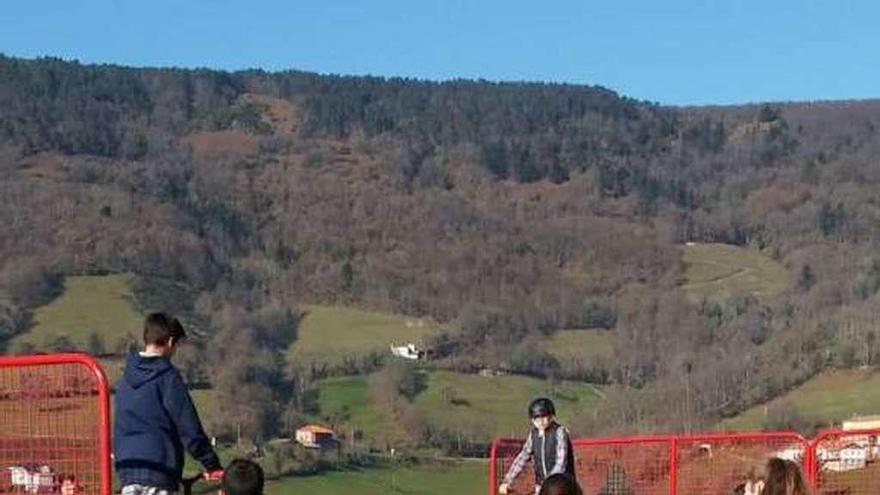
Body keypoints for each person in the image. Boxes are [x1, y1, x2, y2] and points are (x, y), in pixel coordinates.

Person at [114, 313, 223, 495]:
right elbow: (188, 425)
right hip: (160, 469)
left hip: (128, 470)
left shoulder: (125, 379)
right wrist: (211, 463)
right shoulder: (167, 377)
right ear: (170, 342)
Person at [499, 398, 575, 495]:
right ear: (532, 420)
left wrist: (548, 484)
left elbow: (561, 462)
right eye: (536, 418)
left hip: (562, 486)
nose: (540, 421)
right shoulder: (533, 435)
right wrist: (508, 480)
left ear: (551, 416)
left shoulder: (560, 432)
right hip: (542, 486)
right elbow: (522, 457)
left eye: (544, 417)